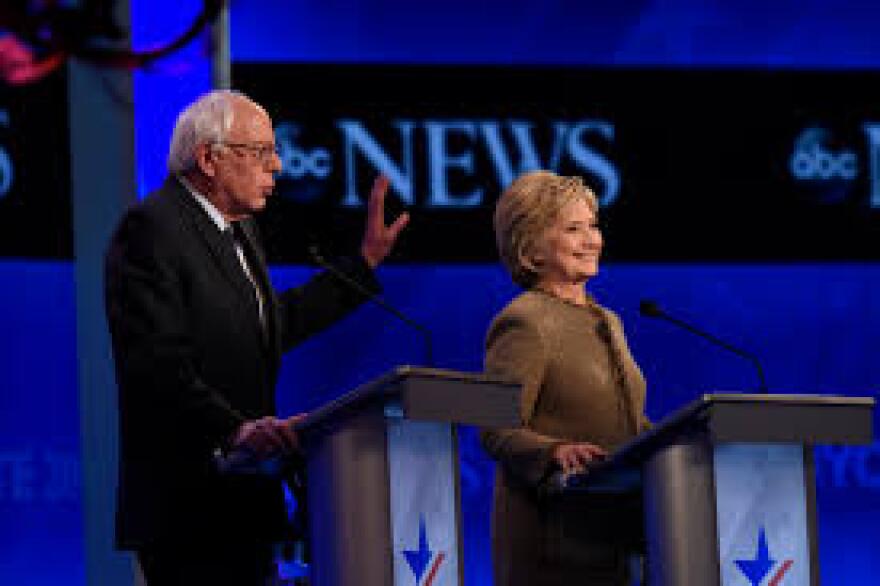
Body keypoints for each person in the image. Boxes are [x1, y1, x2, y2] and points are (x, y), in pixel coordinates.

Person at [104, 89, 408, 585]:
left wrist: (362, 266)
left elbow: (267, 327)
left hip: (245, 500)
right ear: (210, 159)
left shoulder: (240, 231)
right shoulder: (152, 228)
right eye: (262, 151)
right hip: (188, 508)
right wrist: (234, 430)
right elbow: (156, 364)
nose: (279, 165)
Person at [481, 170, 651, 586]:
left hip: (617, 538)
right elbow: (496, 429)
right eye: (573, 229)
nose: (592, 240)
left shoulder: (607, 320)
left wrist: (671, 443)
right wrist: (554, 451)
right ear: (532, 249)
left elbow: (627, 421)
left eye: (593, 226)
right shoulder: (524, 321)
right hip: (555, 545)